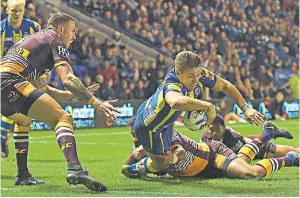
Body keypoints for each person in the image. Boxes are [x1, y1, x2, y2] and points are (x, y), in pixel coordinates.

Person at [0, 12, 121, 192]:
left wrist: (75, 95)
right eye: (72, 31)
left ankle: (23, 174)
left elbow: (44, 89)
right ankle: (75, 169)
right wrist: (96, 102)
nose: (74, 36)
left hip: (5, 82)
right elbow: (68, 78)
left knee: (23, 119)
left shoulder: (35, 41)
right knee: (63, 117)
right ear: (61, 29)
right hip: (11, 82)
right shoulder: (54, 39)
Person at [132, 51, 265, 176]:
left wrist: (246, 108)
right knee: (161, 166)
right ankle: (131, 168)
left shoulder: (200, 75)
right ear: (178, 73)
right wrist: (207, 105)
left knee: (167, 161)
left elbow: (226, 86)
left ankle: (146, 154)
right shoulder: (172, 83)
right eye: (191, 76)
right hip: (149, 127)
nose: (196, 79)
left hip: (167, 122)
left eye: (198, 74)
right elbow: (175, 101)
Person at [122, 117, 299, 179]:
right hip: (204, 172)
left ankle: (290, 159)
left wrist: (166, 160)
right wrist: (134, 159)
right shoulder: (142, 142)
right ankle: (266, 133)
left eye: (136, 133)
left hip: (213, 155)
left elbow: (179, 153)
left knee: (250, 173)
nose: (135, 138)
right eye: (132, 135)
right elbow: (125, 168)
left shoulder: (166, 137)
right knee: (243, 160)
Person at [0, 0, 41, 158]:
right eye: (13, 11)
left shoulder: (33, 27)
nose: (17, 14)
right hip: (5, 75)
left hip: (26, 75)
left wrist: (41, 72)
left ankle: (3, 140)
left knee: (17, 113)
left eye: (20, 10)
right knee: (13, 110)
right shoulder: (1, 30)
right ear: (7, 11)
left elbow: (40, 50)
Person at [201, 115, 298, 160]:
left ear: (224, 128)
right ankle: (273, 132)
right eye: (211, 129)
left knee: (288, 151)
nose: (213, 133)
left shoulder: (232, 138)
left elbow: (240, 160)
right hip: (247, 142)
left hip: (256, 146)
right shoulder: (205, 138)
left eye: (217, 130)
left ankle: (271, 132)